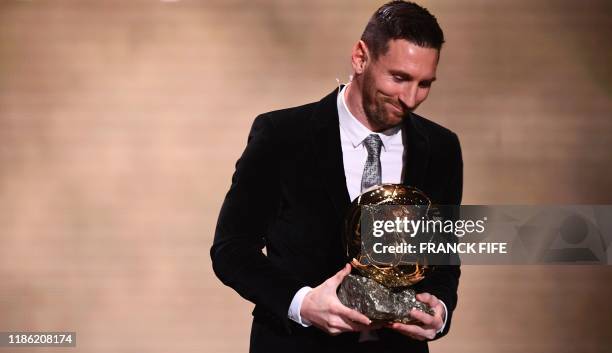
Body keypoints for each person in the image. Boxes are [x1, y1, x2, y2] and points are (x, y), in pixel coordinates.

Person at [211, 1, 462, 352]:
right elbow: (231, 249)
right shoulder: (282, 135)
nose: (410, 98)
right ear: (360, 57)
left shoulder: (441, 148)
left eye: (424, 84)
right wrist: (303, 303)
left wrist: (440, 310)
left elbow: (443, 258)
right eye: (399, 78)